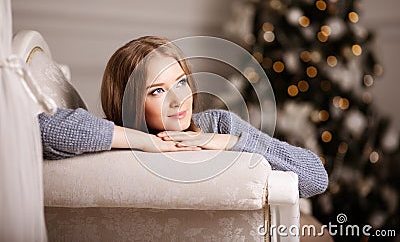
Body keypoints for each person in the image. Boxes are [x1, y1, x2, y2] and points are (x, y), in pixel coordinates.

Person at [39, 36, 328, 199]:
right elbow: (41, 129)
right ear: (127, 104)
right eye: (157, 91)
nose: (179, 100)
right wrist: (144, 142)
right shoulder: (109, 140)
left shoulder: (216, 124)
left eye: (181, 82)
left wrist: (225, 141)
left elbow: (315, 176)